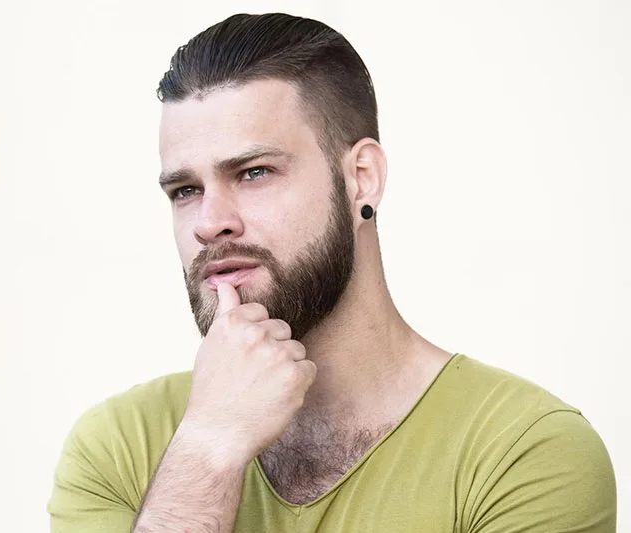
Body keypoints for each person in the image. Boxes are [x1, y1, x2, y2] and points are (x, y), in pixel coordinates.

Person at [47, 12, 616, 532]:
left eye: (253, 172)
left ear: (361, 178)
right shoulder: (119, 447)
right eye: (186, 190)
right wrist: (208, 450)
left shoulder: (523, 450)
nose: (209, 222)